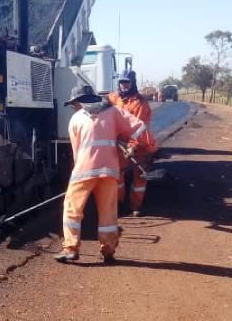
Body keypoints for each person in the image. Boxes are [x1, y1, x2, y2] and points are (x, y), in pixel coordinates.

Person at [54, 85, 156, 264]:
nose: (73, 107)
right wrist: (143, 146)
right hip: (109, 171)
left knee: (72, 209)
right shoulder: (114, 112)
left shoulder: (76, 119)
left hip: (84, 170)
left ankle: (70, 249)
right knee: (108, 213)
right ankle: (108, 251)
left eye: (74, 103)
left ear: (79, 102)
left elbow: (77, 151)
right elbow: (139, 127)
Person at [107, 74, 156, 217]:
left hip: (139, 145)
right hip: (121, 145)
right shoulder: (115, 98)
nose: (124, 85)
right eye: (121, 82)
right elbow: (103, 102)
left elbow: (139, 128)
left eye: (127, 82)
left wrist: (132, 145)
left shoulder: (140, 103)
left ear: (132, 83)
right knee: (118, 175)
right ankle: (120, 203)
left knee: (139, 177)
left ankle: (136, 206)